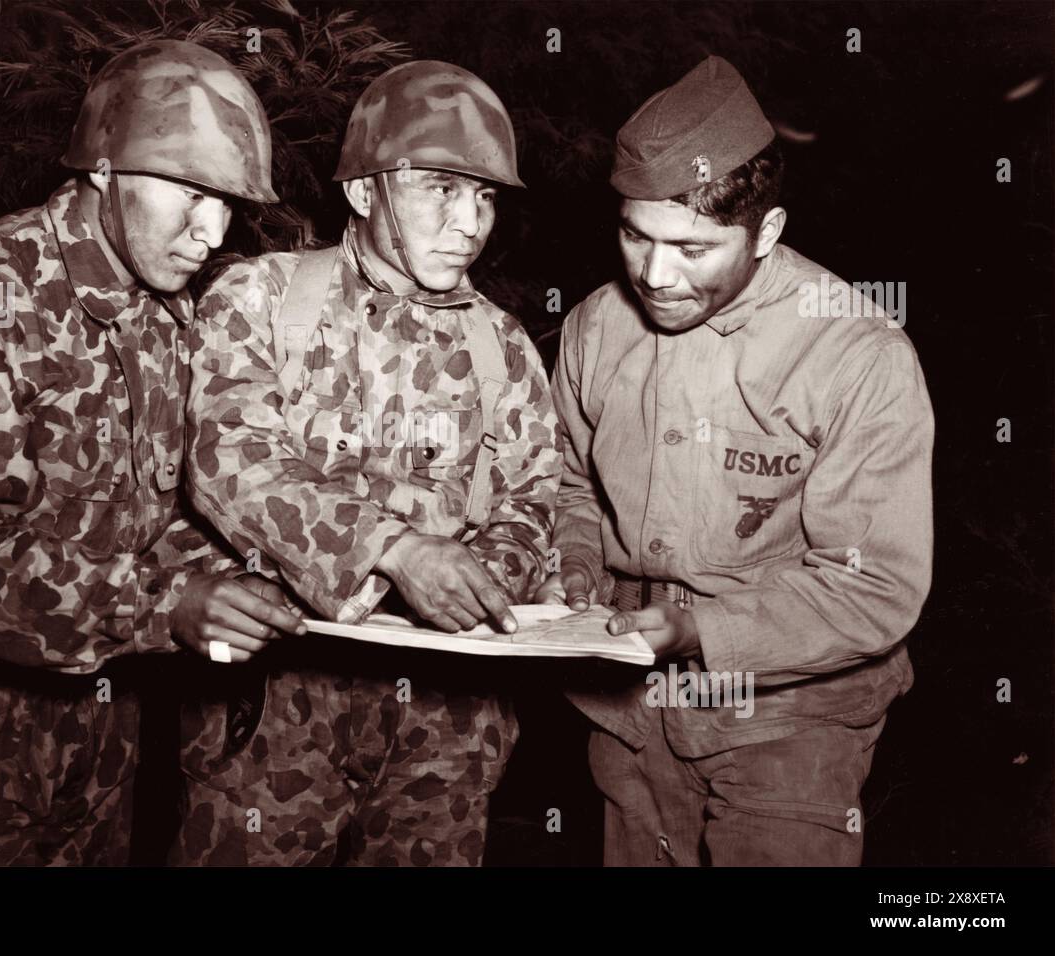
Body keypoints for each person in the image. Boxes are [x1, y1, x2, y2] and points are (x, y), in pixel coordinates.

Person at [0, 39, 302, 865]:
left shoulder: (163, 312)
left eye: (228, 204)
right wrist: (167, 607)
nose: (210, 232)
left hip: (102, 719)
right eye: (190, 192)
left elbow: (159, 510)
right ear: (105, 168)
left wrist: (260, 578)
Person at [536, 55, 933, 866]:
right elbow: (566, 480)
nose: (654, 275)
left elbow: (876, 584)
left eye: (694, 249)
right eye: (635, 236)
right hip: (630, 711)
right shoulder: (594, 327)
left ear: (769, 231)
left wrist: (699, 630)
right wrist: (571, 570)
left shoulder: (856, 351)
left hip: (790, 715)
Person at [177, 60, 562, 866]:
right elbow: (229, 460)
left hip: (448, 726)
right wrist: (393, 551)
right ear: (364, 192)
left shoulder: (504, 346)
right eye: (441, 190)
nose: (470, 223)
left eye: (485, 196)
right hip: (276, 709)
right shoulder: (259, 299)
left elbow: (534, 498)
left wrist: (478, 588)